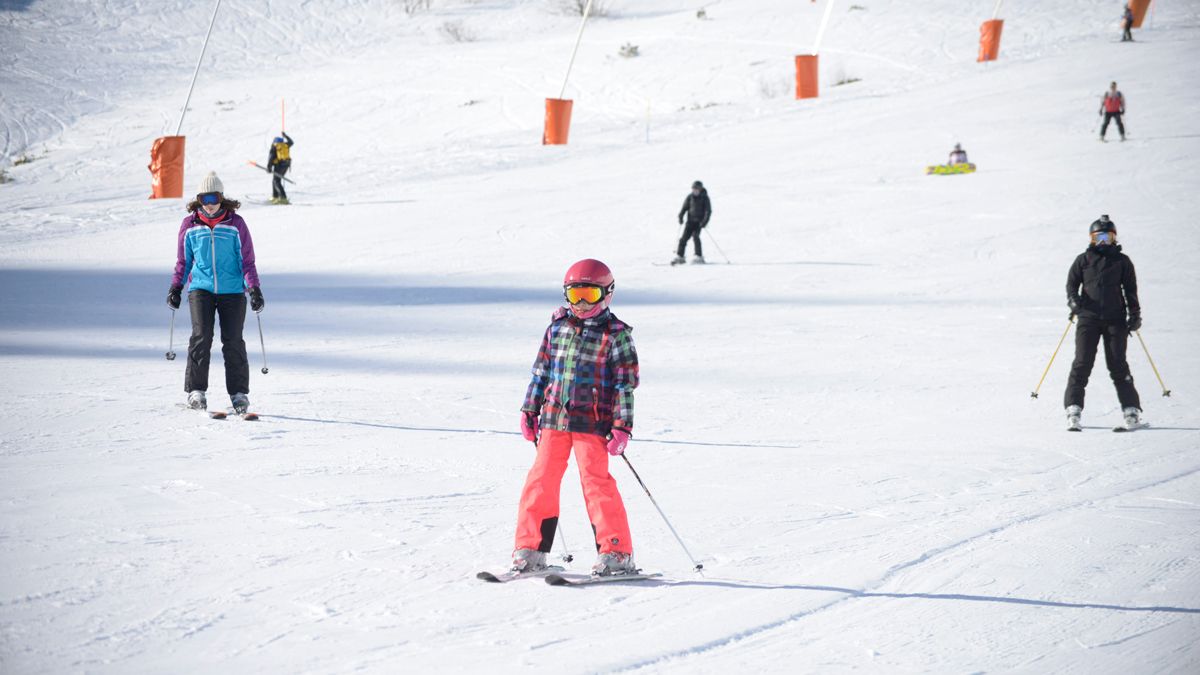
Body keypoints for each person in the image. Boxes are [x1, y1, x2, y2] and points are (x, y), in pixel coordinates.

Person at [512, 259, 640, 576]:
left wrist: (622, 426)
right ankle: (530, 550)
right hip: (553, 418)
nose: (581, 303)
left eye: (590, 295)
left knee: (596, 484)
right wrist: (530, 409)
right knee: (540, 481)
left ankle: (616, 553)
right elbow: (541, 372)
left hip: (593, 422)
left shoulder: (617, 335)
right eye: (575, 294)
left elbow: (625, 385)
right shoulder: (556, 328)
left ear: (607, 294)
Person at [167, 172, 265, 414]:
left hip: (232, 290)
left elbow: (247, 261)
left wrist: (254, 288)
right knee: (201, 336)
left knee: (233, 341)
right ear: (198, 200)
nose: (209, 204)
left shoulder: (236, 224)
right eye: (204, 198)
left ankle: (239, 394)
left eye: (214, 197)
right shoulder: (189, 225)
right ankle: (196, 391)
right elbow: (183, 261)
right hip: (201, 288)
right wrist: (176, 287)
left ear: (222, 198)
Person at [1063, 215, 1142, 431]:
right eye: (1099, 237)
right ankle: (1073, 408)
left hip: (1115, 319)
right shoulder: (1083, 260)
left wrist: (1134, 315)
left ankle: (1131, 410)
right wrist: (1074, 303)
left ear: (1114, 238)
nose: (1103, 242)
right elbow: (1071, 285)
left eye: (1107, 237)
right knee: (1082, 363)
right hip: (1088, 318)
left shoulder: (1122, 261)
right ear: (1091, 238)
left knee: (1118, 364)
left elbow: (1130, 290)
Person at [673, 180, 712, 265]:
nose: (695, 191)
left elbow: (708, 211)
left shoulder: (705, 198)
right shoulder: (690, 197)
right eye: (693, 189)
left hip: (699, 223)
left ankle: (699, 256)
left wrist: (704, 222)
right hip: (690, 222)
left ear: (700, 189)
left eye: (696, 189)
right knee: (683, 239)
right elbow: (684, 208)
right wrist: (681, 216)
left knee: (695, 237)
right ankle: (680, 257)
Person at [267, 131, 294, 204]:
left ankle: (283, 198)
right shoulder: (285, 145)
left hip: (279, 165)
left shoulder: (275, 147)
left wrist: (269, 167)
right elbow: (292, 142)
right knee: (276, 180)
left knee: (276, 181)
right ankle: (275, 196)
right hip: (286, 164)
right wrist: (285, 136)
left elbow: (271, 157)